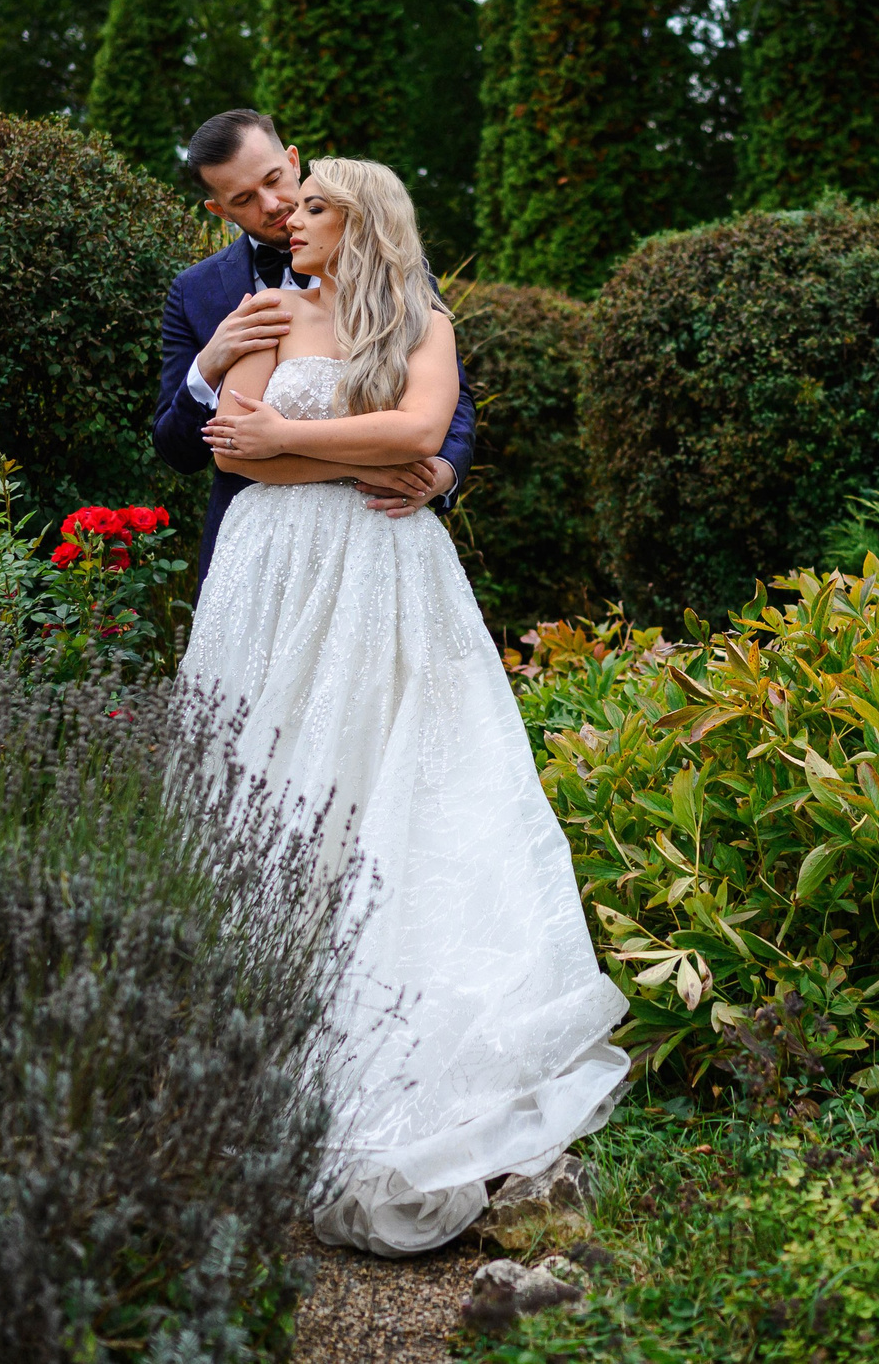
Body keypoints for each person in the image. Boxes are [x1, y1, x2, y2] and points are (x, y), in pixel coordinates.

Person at [175, 153, 629, 1258]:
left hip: (388, 573)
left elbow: (422, 436)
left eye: (314, 205)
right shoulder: (265, 310)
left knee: (406, 786)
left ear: (364, 220)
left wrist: (298, 443)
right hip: (267, 578)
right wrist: (310, 448)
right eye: (285, 205)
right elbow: (231, 444)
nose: (290, 218)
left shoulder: (424, 320)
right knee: (272, 788)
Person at [150, 110, 475, 584]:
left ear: (293, 159)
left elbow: (449, 401)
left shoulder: (405, 291)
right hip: (260, 549)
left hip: (380, 530)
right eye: (243, 198)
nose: (274, 205)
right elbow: (186, 450)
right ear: (219, 210)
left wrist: (441, 473)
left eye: (274, 179)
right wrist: (208, 364)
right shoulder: (197, 293)